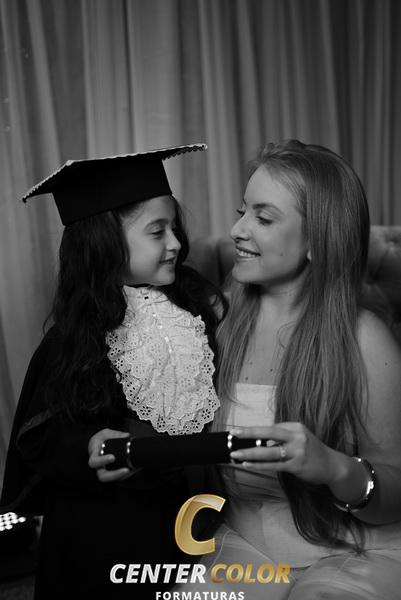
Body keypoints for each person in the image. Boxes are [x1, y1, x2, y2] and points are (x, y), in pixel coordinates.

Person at [175, 140, 401, 599]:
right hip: (244, 546)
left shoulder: (365, 339)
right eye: (242, 211)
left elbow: (396, 495)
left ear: (317, 239)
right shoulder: (215, 323)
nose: (237, 230)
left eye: (263, 218)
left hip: (355, 550)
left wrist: (334, 467)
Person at [0, 144, 226, 599]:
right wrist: (88, 446)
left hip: (186, 514)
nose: (175, 243)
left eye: (175, 228)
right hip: (104, 531)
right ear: (104, 243)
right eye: (157, 232)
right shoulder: (75, 337)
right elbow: (40, 435)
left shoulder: (196, 307)